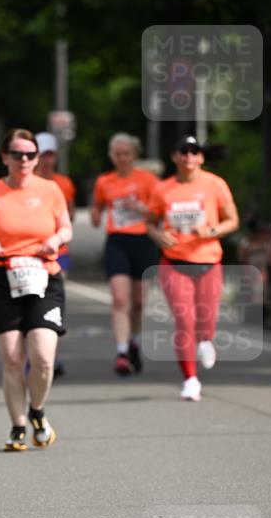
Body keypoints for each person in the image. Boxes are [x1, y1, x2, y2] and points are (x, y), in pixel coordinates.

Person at [0, 128, 72, 452]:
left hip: (44, 276)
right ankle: (17, 426)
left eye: (30, 154)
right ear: (5, 158)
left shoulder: (51, 190)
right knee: (13, 358)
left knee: (42, 357)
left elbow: (66, 226)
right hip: (3, 278)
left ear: (37, 158)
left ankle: (37, 411)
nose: (24, 160)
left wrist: (56, 239)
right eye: (17, 154)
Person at [146, 135, 239, 401]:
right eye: (183, 152)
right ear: (174, 156)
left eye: (194, 152)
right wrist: (158, 235)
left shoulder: (215, 184)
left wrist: (210, 230)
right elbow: (150, 222)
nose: (188, 157)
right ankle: (190, 379)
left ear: (201, 157)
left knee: (206, 318)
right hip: (174, 263)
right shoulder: (163, 189)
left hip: (208, 261)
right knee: (184, 320)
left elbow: (232, 220)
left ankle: (205, 340)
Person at [91, 133, 160, 375]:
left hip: (144, 241)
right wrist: (96, 214)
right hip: (117, 242)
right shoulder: (105, 181)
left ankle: (134, 343)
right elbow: (97, 206)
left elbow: (159, 212)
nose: (122, 158)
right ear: (112, 156)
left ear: (134, 155)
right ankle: (121, 352)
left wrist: (140, 208)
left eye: (126, 154)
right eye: (118, 154)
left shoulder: (148, 180)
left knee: (139, 303)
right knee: (121, 300)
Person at [34, 131, 76, 378]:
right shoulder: (25, 181)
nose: (46, 160)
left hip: (60, 253)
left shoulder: (65, 184)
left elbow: (70, 218)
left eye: (50, 154)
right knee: (30, 301)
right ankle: (34, 354)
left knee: (55, 302)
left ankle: (52, 356)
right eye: (41, 154)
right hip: (30, 254)